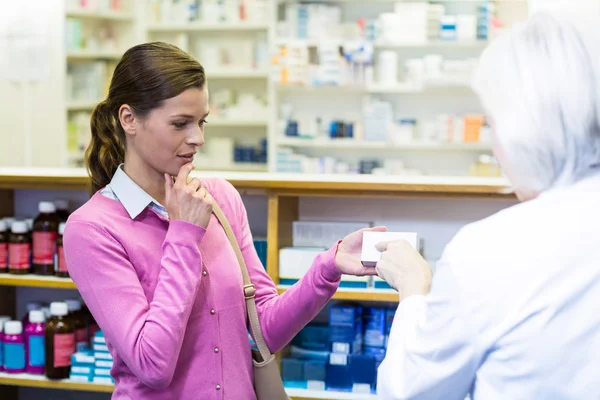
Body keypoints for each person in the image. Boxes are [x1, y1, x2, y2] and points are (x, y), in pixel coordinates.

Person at [63, 42, 384, 399]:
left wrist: (328, 268)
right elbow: (151, 365)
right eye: (180, 123)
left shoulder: (220, 198)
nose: (197, 138)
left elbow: (264, 329)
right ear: (129, 119)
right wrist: (183, 235)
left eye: (201, 122)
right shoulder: (92, 229)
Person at [375, 12, 600, 400]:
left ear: (521, 130)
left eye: (494, 123)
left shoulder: (493, 248)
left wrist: (414, 292)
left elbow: (408, 393)